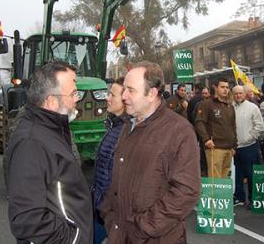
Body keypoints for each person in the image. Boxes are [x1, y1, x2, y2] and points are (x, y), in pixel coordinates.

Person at [101, 61, 200, 243]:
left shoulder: (179, 131)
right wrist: (109, 215)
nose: (124, 96)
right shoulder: (127, 125)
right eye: (124, 90)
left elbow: (187, 191)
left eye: (131, 90)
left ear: (152, 93)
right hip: (119, 235)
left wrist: (144, 227)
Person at [5, 61, 92, 243]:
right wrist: (72, 239)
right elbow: (28, 221)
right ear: (52, 102)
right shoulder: (31, 144)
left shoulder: (52, 131)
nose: (78, 98)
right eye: (74, 93)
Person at [91, 77, 126, 244]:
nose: (107, 98)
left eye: (112, 95)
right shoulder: (113, 126)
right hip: (101, 209)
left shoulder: (126, 132)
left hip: (109, 211)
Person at [195, 77, 237, 179]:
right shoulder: (207, 104)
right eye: (222, 87)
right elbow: (199, 122)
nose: (225, 89)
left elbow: (233, 127)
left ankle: (224, 196)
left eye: (227, 87)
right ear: (215, 88)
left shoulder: (230, 106)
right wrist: (206, 139)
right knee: (215, 182)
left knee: (225, 182)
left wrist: (234, 145)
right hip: (215, 147)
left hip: (229, 148)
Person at [232, 85, 264, 207]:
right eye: (236, 94)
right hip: (236, 147)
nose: (238, 96)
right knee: (238, 174)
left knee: (251, 174)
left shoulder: (253, 107)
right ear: (233, 95)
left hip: (249, 146)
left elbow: (259, 125)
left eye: (240, 93)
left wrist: (250, 137)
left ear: (245, 94)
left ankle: (252, 199)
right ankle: (239, 197)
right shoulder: (231, 107)